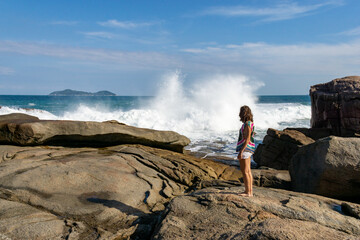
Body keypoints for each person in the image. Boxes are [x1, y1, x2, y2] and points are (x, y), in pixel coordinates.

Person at [236, 105, 255, 197]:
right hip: (249, 148)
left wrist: (241, 151)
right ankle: (249, 192)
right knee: (248, 171)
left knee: (245, 172)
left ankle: (248, 192)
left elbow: (247, 139)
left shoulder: (247, 124)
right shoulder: (250, 123)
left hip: (246, 149)